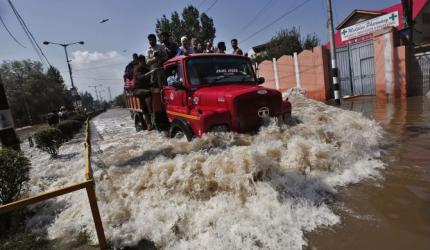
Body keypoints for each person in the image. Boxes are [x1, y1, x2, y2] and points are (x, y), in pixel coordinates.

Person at [133, 55, 153, 130]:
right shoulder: (137, 69)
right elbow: (141, 77)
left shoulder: (146, 68)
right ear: (139, 61)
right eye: (141, 61)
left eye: (143, 60)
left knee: (147, 93)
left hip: (144, 89)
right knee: (147, 93)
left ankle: (150, 112)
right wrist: (150, 72)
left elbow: (150, 79)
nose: (142, 62)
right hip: (137, 90)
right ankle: (149, 123)